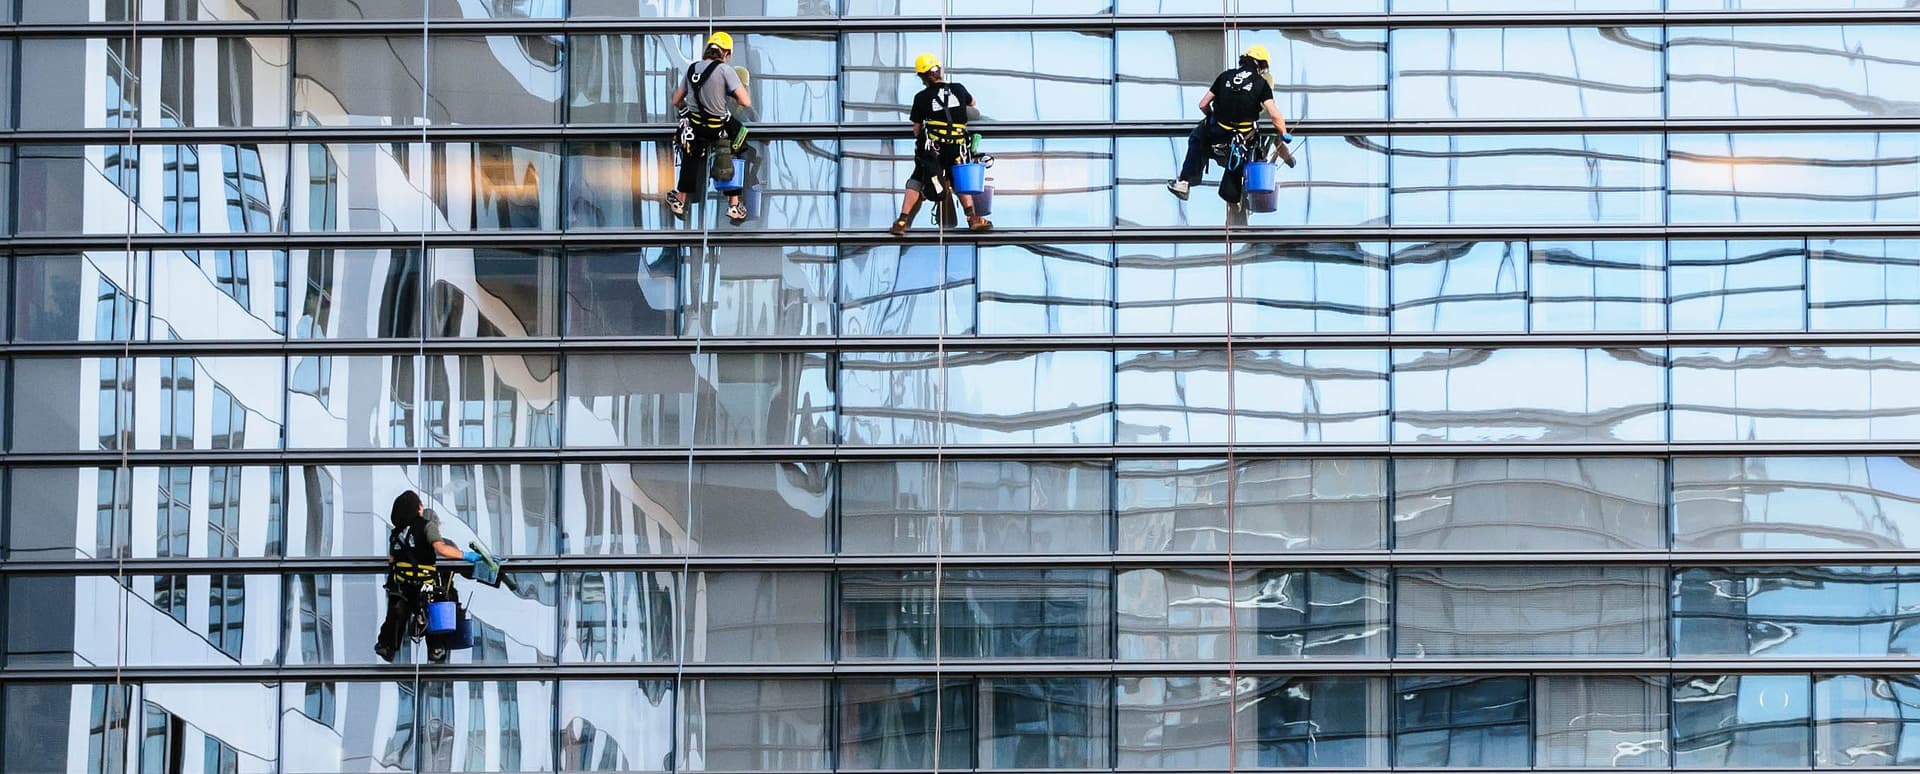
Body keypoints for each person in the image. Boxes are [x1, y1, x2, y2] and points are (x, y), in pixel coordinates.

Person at [1167, 44, 1294, 205]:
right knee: (1245, 153)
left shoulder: (1225, 76)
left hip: (1215, 133)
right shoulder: (1261, 84)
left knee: (1197, 138)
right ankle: (1235, 195)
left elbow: (1203, 104)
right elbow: (1274, 115)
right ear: (1260, 66)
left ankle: (1184, 183)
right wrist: (1283, 132)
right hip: (1241, 139)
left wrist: (1212, 118)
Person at [891, 53, 991, 236]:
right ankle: (972, 218)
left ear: (922, 77)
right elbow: (973, 104)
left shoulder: (921, 97)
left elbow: (916, 129)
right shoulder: (959, 89)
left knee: (918, 177)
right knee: (959, 177)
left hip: (933, 149)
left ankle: (902, 221)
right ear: (939, 70)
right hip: (956, 146)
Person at [374, 491, 480, 663]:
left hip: (404, 586)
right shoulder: (440, 538)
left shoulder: (397, 534)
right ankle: (437, 647)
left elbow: (391, 559)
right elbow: (446, 553)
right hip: (430, 587)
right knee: (437, 607)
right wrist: (468, 557)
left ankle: (387, 645)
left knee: (396, 613)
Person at [669, 32, 754, 225]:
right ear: (725, 53)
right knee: (740, 144)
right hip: (718, 126)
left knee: (690, 156)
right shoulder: (725, 70)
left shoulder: (691, 69)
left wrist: (690, 108)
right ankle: (734, 204)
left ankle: (680, 201)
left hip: (696, 127)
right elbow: (746, 102)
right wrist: (728, 94)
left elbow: (676, 101)